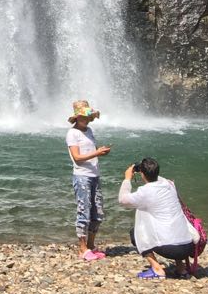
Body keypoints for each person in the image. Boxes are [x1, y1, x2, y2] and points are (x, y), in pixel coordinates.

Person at [118, 157, 197, 279]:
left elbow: (123, 200)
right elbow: (157, 178)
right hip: (188, 246)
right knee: (172, 223)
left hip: (170, 249)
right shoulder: (169, 185)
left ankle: (157, 268)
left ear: (142, 174)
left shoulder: (145, 192)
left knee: (135, 233)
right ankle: (181, 269)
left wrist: (127, 178)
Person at [65, 99, 111, 261]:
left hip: (94, 175)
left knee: (97, 212)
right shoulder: (72, 133)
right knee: (83, 210)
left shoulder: (89, 130)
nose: (86, 119)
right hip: (82, 176)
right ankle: (82, 249)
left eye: (87, 116)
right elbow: (77, 158)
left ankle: (91, 246)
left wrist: (99, 153)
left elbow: (89, 152)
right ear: (77, 117)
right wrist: (97, 153)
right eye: (82, 116)